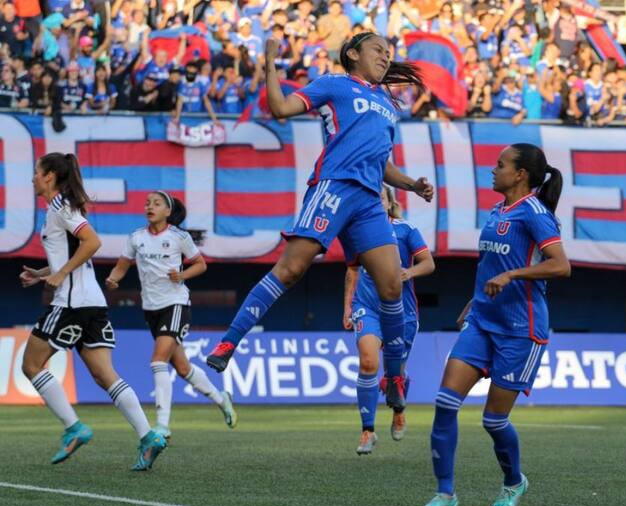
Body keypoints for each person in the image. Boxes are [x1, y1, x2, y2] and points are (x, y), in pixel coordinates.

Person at [204, 33, 434, 417]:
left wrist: (412, 185)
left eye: (388, 53)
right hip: (335, 187)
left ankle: (394, 377)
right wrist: (271, 62)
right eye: (378, 49)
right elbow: (279, 108)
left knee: (392, 285)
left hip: (369, 201)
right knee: (292, 269)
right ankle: (229, 343)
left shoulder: (387, 103)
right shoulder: (333, 85)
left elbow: (382, 163)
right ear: (353, 53)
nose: (385, 56)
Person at [413, 143, 570, 506]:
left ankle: (514, 482)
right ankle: (444, 493)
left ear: (520, 175)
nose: (492, 169)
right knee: (446, 403)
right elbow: (493, 263)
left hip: (521, 329)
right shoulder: (498, 210)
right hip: (482, 321)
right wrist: (474, 300)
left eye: (500, 165)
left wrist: (512, 275)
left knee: (493, 421)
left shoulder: (536, 214)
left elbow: (561, 266)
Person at [18, 152, 167, 471]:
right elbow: (76, 254)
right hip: (92, 302)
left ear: (49, 177)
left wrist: (58, 276)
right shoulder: (59, 209)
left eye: (36, 172)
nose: (32, 177)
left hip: (71, 303)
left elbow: (92, 242)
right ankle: (148, 436)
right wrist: (44, 274)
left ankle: (74, 427)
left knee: (31, 364)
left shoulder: (61, 207)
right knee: (104, 375)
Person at [105, 191, 238, 439]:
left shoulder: (179, 237)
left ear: (168, 211)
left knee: (157, 361)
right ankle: (222, 400)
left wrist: (182, 275)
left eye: (156, 203)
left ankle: (163, 425)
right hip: (151, 308)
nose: (150, 206)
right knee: (183, 367)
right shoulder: (136, 237)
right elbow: (122, 265)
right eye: (147, 203)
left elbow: (200, 264)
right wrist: (114, 278)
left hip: (175, 304)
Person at [343, 185, 434, 454]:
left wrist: (409, 272)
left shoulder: (406, 230)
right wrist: (347, 306)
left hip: (401, 312)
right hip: (367, 307)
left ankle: (398, 409)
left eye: (380, 198)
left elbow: (428, 263)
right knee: (368, 361)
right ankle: (367, 430)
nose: (375, 202)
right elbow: (352, 272)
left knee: (396, 373)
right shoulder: (357, 231)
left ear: (388, 203)